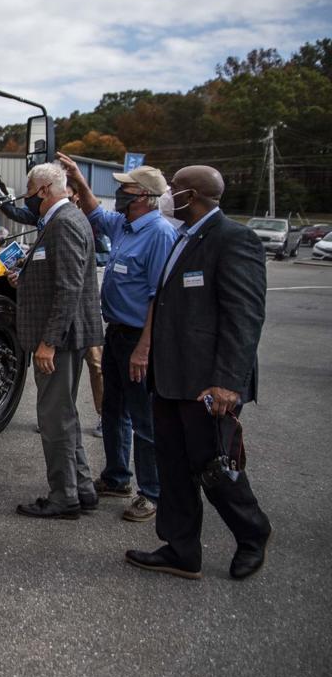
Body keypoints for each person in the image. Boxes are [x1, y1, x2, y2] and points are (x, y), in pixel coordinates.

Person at [126, 166, 272, 580]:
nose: (168, 194)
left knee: (214, 468)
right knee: (173, 466)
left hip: (207, 382)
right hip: (171, 377)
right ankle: (181, 549)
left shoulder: (233, 239)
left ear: (193, 194)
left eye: (174, 188)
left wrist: (228, 381)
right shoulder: (184, 237)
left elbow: (244, 317)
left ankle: (253, 533)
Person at [59, 155, 177, 524]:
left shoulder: (158, 234)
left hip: (139, 339)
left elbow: (161, 297)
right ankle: (116, 477)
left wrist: (145, 348)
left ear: (142, 195)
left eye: (125, 188)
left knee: (144, 420)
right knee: (113, 411)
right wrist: (77, 177)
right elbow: (95, 212)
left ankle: (152, 492)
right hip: (116, 334)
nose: (120, 193)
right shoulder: (127, 224)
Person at [14, 162, 104, 519]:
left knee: (54, 419)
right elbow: (55, 274)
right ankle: (81, 487)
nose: (29, 197)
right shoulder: (64, 219)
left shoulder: (64, 222)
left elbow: (69, 288)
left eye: (31, 190)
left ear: (45, 190)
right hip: (66, 335)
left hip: (60, 339)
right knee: (64, 414)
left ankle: (63, 496)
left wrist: (48, 342)